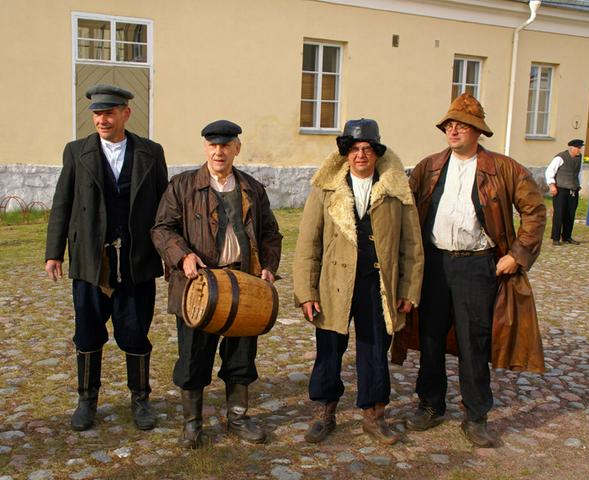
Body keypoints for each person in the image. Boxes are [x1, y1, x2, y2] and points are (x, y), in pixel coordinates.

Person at [403, 93, 546, 448]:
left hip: (477, 266)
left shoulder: (504, 168)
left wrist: (517, 254)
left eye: (460, 125)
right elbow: (405, 210)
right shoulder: (429, 166)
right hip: (434, 264)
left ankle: (476, 414)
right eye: (448, 124)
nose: (452, 130)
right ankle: (430, 404)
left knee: (473, 341)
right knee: (431, 337)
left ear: (477, 131)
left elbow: (535, 211)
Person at [151, 120, 282, 449]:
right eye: (213, 144)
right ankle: (192, 424)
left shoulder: (252, 188)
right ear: (205, 148)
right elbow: (162, 229)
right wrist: (182, 256)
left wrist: (267, 266)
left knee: (241, 357)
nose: (219, 151)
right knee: (193, 357)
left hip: (244, 284)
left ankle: (237, 417)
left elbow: (270, 234)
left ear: (237, 148)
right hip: (198, 286)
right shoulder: (182, 186)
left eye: (226, 145)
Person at [45, 84, 168, 432]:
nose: (102, 119)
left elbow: (164, 209)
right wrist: (54, 253)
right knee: (87, 333)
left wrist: (171, 256)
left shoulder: (150, 152)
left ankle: (140, 400)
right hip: (89, 262)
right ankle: (87, 400)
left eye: (109, 113)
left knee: (135, 334)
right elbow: (62, 204)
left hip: (136, 261)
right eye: (97, 114)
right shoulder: (76, 152)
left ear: (126, 113)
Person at [293, 118, 424, 445]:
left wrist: (408, 289)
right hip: (333, 283)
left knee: (375, 349)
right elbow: (308, 242)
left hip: (377, 284)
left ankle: (374, 414)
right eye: (354, 149)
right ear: (345, 154)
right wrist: (306, 292)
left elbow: (411, 244)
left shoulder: (395, 190)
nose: (360, 155)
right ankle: (324, 410)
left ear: (377, 153)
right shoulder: (326, 190)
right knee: (329, 349)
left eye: (367, 149)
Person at [545, 138, 585, 246]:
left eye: (580, 148)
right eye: (578, 148)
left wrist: (579, 184)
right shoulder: (560, 157)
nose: (579, 150)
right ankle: (556, 238)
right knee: (559, 213)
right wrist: (552, 185)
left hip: (573, 189)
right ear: (572, 148)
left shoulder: (579, 158)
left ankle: (567, 236)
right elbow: (549, 171)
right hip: (560, 189)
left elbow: (579, 172)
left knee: (570, 214)